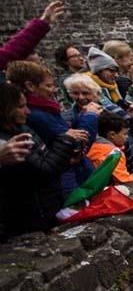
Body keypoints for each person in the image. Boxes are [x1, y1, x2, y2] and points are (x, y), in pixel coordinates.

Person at [0, 82, 76, 240]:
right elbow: (44, 170)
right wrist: (67, 141)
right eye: (21, 107)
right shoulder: (10, 142)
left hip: (46, 208)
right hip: (27, 220)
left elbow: (44, 157)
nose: (27, 111)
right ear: (5, 109)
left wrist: (67, 156)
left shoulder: (21, 128)